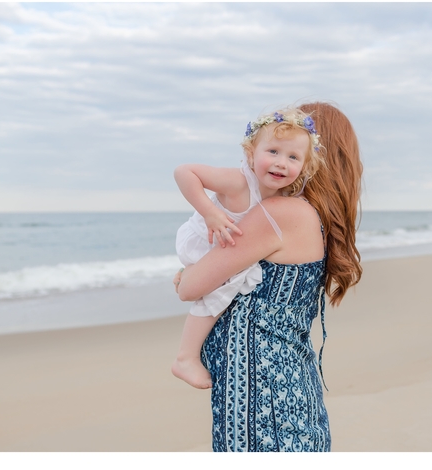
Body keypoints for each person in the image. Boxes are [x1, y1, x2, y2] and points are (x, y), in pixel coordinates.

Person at [174, 102, 362, 452]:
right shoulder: (310, 216)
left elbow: (190, 287)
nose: (281, 160)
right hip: (289, 385)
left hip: (259, 395)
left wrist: (189, 272)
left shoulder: (279, 213)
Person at [171, 107, 325, 389]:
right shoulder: (239, 182)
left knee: (236, 282)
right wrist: (209, 212)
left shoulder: (284, 196)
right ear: (251, 153)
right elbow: (184, 172)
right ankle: (185, 357)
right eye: (273, 152)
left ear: (304, 166)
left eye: (293, 157)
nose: (281, 163)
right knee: (222, 291)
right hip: (204, 239)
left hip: (225, 245)